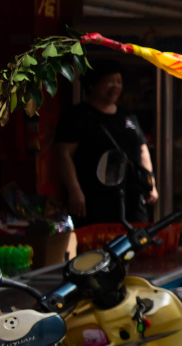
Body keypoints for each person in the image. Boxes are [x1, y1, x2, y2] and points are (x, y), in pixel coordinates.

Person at [55, 59, 158, 226]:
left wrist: (150, 184)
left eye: (119, 81)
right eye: (110, 81)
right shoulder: (76, 116)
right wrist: (74, 191)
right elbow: (64, 154)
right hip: (93, 199)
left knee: (135, 240)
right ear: (92, 85)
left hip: (132, 199)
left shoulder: (127, 115)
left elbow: (142, 149)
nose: (116, 86)